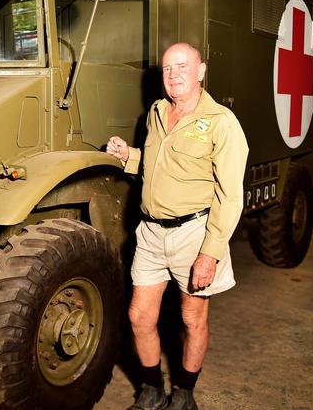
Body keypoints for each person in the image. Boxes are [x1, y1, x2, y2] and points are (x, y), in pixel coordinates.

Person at [107, 43, 249, 410]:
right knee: (139, 317)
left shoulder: (221, 122)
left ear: (201, 71)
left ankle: (184, 393)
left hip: (195, 233)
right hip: (151, 232)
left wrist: (210, 253)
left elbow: (231, 196)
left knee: (191, 317)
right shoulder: (157, 112)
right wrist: (128, 157)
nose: (173, 75)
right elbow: (156, 165)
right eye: (168, 68)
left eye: (182, 66)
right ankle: (152, 390)